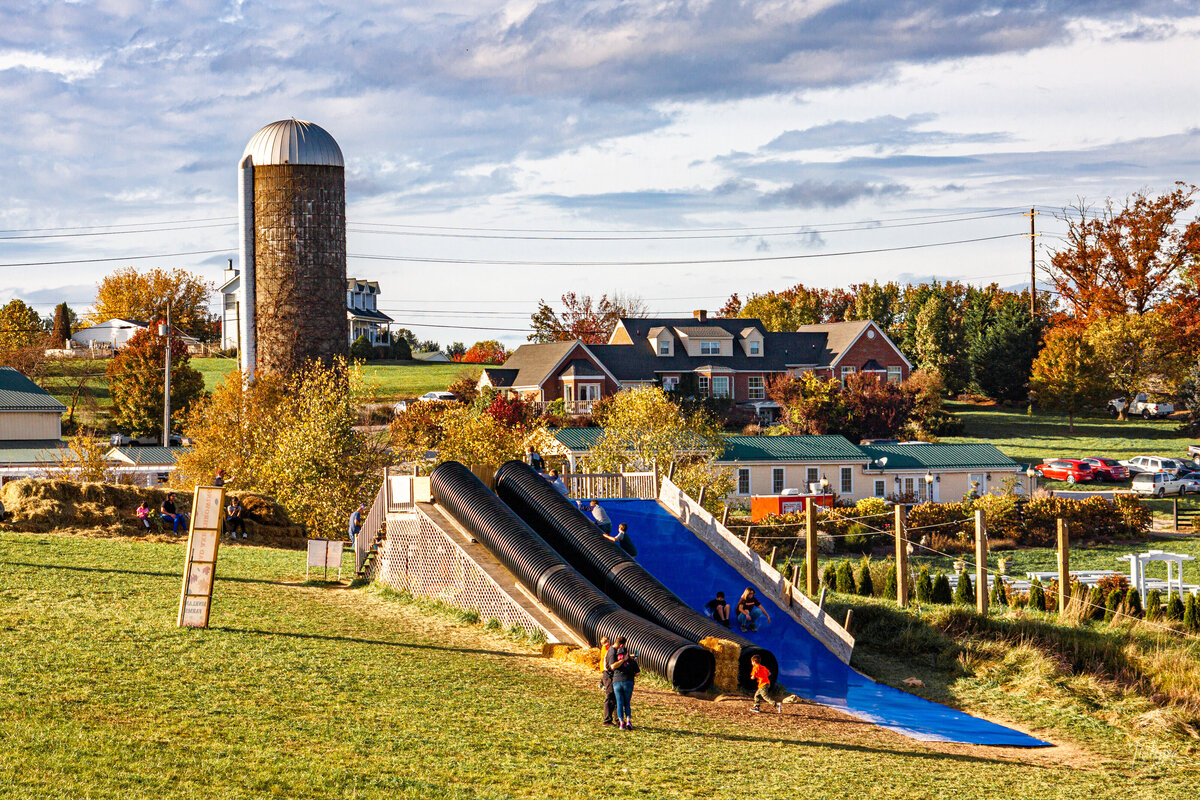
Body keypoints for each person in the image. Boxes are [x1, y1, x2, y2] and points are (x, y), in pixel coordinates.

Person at [608, 636, 639, 730]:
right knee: (627, 703)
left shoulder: (616, 660)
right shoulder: (631, 661)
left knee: (619, 703)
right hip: (628, 682)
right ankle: (628, 721)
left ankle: (621, 723)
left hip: (617, 682)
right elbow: (638, 673)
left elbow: (612, 667)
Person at [598, 635, 616, 726]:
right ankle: (607, 720)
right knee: (610, 695)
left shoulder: (609, 648)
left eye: (607, 641)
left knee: (614, 696)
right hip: (606, 671)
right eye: (605, 642)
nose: (607, 643)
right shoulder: (605, 649)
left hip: (607, 672)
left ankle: (617, 719)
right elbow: (606, 659)